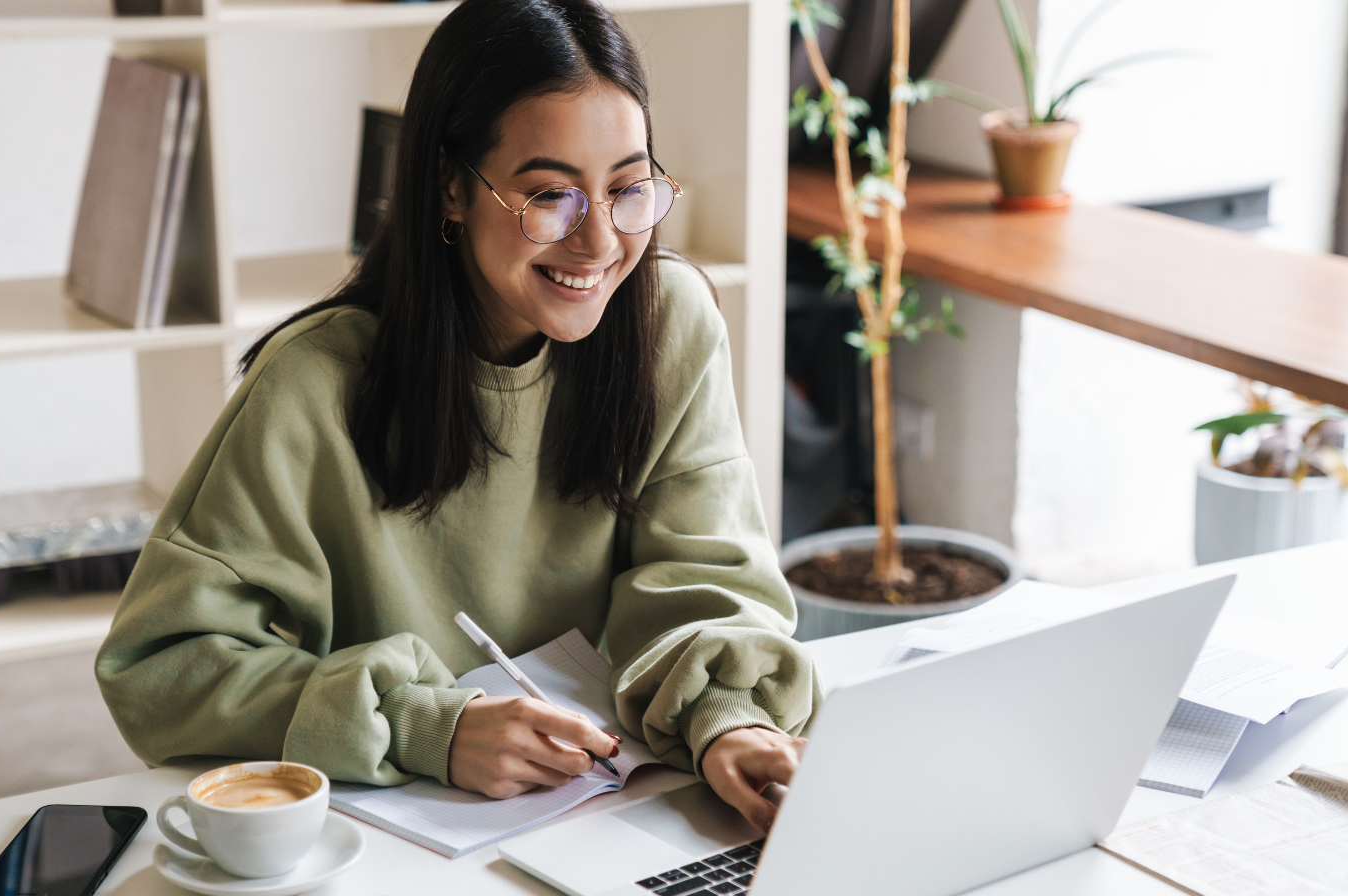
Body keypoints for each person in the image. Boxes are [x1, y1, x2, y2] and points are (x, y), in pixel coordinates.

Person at [95, 0, 820, 833]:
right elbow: (163, 667)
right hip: (392, 840)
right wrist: (425, 725)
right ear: (449, 187)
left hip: (616, 811)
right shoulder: (314, 385)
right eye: (550, 195)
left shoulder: (671, 323)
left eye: (626, 189)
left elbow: (707, 579)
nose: (600, 246)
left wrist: (733, 715)